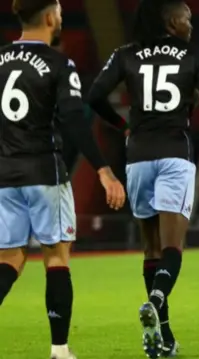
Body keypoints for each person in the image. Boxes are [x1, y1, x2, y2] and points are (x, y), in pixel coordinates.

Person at [86, 0, 199, 357]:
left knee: (150, 249)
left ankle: (163, 335)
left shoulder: (126, 53)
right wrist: (192, 101)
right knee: (173, 248)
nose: (191, 24)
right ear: (171, 21)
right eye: (187, 18)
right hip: (174, 155)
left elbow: (95, 95)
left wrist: (123, 126)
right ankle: (157, 298)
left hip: (138, 159)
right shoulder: (195, 53)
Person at [0, 1, 126, 358]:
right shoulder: (59, 64)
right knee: (56, 258)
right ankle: (59, 350)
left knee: (9, 260)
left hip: (5, 175)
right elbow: (73, 119)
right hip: (44, 173)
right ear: (51, 17)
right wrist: (103, 169)